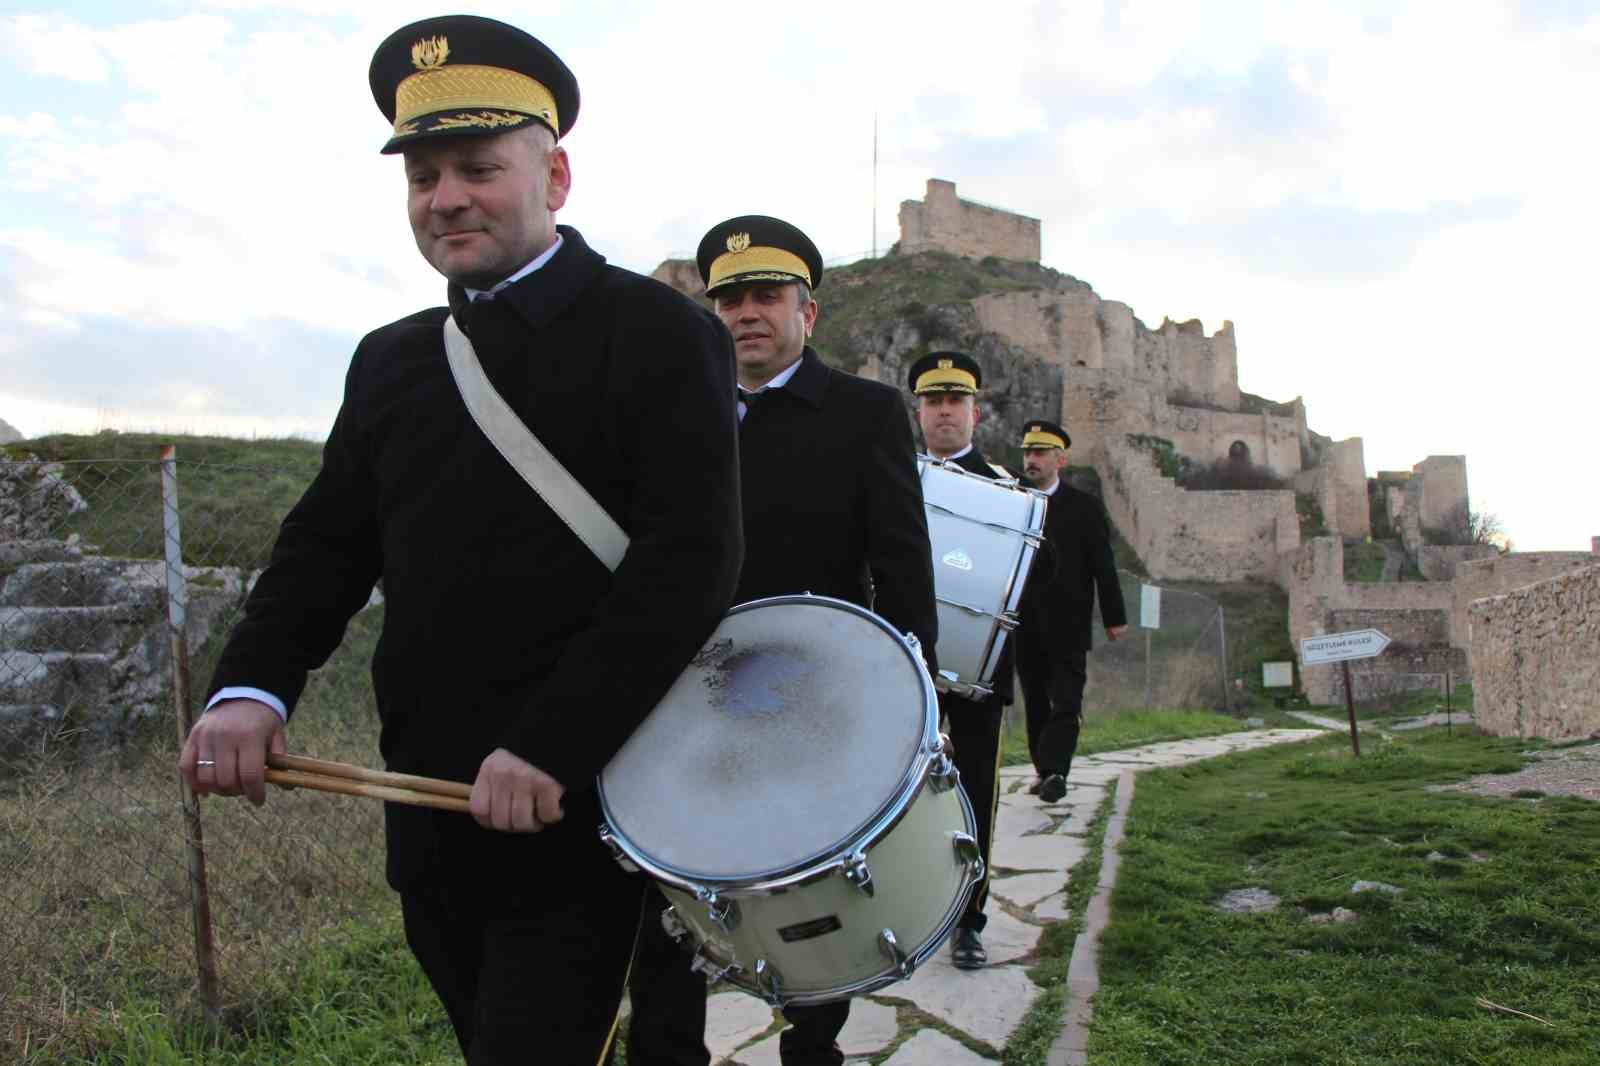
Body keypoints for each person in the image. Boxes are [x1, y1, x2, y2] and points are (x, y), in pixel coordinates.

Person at [177, 15, 743, 1065]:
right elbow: (325, 548)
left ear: (555, 175)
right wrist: (250, 689)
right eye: (423, 175)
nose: (445, 198)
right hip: (430, 805)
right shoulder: (391, 362)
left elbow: (688, 561)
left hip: (587, 803)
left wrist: (551, 744)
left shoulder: (661, 336)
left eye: (477, 167)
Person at [620, 216, 939, 1066]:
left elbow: (900, 559)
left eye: (766, 296)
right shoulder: (673, 413)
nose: (745, 314)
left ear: (809, 312)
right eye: (728, 300)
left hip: (815, 690)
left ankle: (812, 1045)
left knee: (809, 881)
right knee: (670, 887)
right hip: (680, 691)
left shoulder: (864, 414)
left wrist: (913, 693)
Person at [908, 350, 1010, 970]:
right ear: (919, 411)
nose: (945, 411)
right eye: (933, 401)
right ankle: (906, 908)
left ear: (976, 411)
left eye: (956, 401)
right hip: (906, 661)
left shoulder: (1007, 493)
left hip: (977, 676)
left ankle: (969, 918)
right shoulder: (894, 479)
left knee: (973, 790)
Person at [1014, 420, 1127, 803]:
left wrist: (1114, 616)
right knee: (1035, 702)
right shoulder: (1012, 499)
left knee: (1066, 700)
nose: (1032, 459)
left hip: (1069, 624)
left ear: (1060, 460)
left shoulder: (1084, 508)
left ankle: (1056, 770)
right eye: (1028, 452)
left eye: (1040, 453)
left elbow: (1103, 565)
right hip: (1023, 623)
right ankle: (1045, 771)